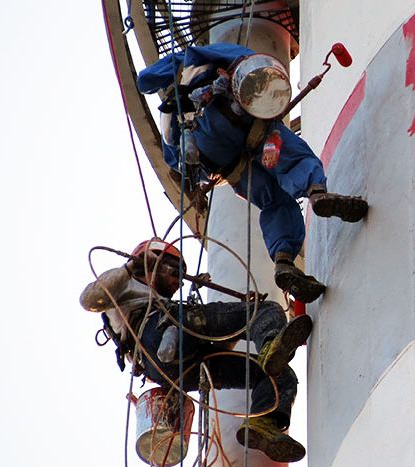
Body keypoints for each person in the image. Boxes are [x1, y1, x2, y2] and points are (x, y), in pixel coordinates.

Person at [137, 43, 368, 303]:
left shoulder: (170, 119)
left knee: (275, 201)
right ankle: (317, 194)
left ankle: (283, 261)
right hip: (235, 120)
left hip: (219, 159)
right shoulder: (192, 57)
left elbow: (145, 83)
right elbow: (244, 61)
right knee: (294, 158)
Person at [80, 239, 312, 462]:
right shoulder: (123, 288)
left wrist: (237, 322)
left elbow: (218, 349)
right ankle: (268, 345)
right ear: (152, 263)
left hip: (182, 366)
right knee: (265, 311)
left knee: (279, 375)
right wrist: (130, 267)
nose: (179, 282)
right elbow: (89, 299)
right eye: (175, 271)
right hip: (156, 339)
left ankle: (264, 422)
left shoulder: (164, 304)